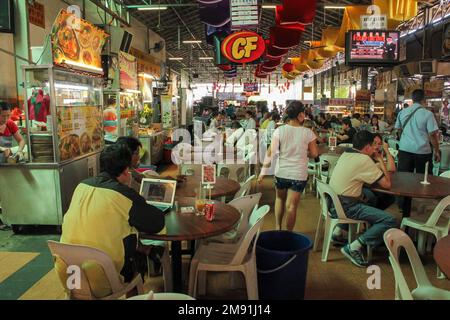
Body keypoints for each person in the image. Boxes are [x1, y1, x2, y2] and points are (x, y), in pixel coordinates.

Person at [57, 144, 165, 296]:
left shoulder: (81, 186)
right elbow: (157, 223)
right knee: (136, 257)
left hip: (70, 274)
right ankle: (135, 296)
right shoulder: (124, 195)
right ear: (127, 170)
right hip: (105, 278)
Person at [329, 131, 397, 267]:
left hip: (332, 203)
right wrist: (379, 160)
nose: (375, 149)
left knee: (371, 200)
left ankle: (339, 232)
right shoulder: (364, 159)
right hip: (347, 206)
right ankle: (354, 246)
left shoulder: (346, 154)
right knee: (390, 220)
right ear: (367, 147)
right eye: (373, 146)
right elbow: (388, 185)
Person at [258, 101, 319, 231]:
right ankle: (288, 235)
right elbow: (314, 153)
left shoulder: (279, 130)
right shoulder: (308, 133)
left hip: (281, 173)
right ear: (301, 115)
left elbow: (270, 152)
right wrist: (302, 151)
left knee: (279, 199)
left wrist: (262, 172)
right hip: (298, 175)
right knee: (291, 207)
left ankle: (278, 228)